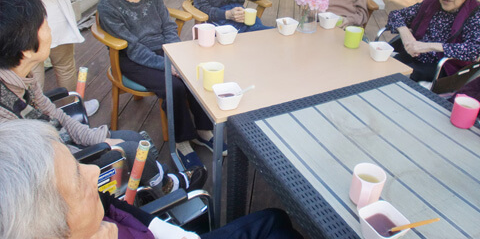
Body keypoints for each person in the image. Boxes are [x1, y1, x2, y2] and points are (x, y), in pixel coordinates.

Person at [0, 0, 206, 198]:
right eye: (43, 25)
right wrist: (100, 147)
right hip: (61, 177)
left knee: (133, 137)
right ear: (23, 47)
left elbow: (57, 116)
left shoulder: (23, 78)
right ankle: (165, 190)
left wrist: (96, 137)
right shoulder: (7, 118)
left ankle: (157, 182)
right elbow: (49, 164)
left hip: (61, 144)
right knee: (132, 149)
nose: (50, 28)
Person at [0, 120, 304, 239]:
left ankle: (173, 182)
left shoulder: (90, 215)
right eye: (79, 180)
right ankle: (174, 183)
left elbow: (111, 204)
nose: (94, 173)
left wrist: (166, 230)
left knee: (275, 219)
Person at [98, 0, 222, 170]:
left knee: (195, 72)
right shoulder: (108, 6)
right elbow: (134, 48)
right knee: (174, 85)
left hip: (164, 49)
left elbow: (167, 25)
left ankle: (203, 130)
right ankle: (182, 142)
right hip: (131, 59)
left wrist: (175, 54)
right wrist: (168, 65)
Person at [385, 0, 480, 83]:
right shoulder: (431, 4)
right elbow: (395, 15)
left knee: (397, 77)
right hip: (414, 55)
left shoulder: (475, 14)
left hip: (441, 66)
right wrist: (405, 34)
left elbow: (473, 50)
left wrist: (428, 46)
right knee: (383, 67)